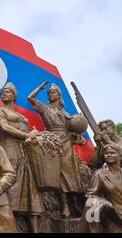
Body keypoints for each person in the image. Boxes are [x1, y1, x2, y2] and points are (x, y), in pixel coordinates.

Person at [28, 81, 84, 219]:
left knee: (72, 175)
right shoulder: (45, 108)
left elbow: (72, 127)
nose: (50, 95)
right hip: (54, 142)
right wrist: (40, 88)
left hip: (67, 143)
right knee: (59, 175)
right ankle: (64, 207)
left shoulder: (64, 112)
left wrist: (76, 136)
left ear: (59, 95)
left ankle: (76, 205)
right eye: (49, 93)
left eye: (53, 92)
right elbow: (31, 98)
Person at [0, 83, 44, 232]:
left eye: (8, 92)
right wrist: (26, 135)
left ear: (14, 96)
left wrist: (34, 134)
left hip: (23, 153)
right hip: (8, 151)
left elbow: (27, 132)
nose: (4, 94)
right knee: (9, 186)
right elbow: (4, 127)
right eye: (2, 92)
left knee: (29, 190)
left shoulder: (22, 116)